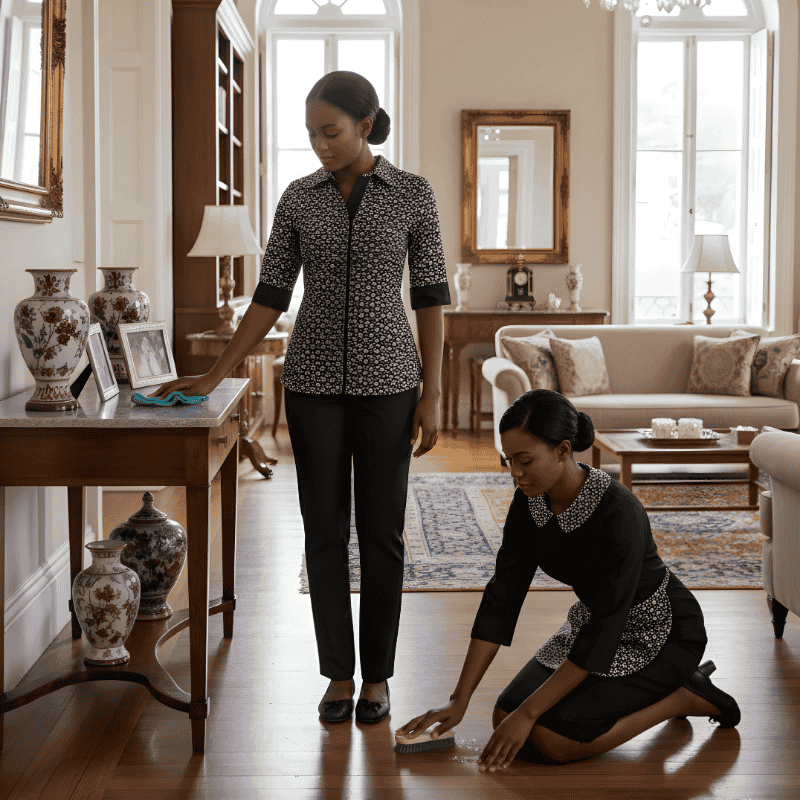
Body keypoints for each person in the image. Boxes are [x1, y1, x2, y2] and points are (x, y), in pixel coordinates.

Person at [152, 70, 450, 725]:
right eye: (312, 133)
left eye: (331, 131)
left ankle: (378, 677)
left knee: (383, 534)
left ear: (365, 126)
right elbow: (270, 295)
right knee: (322, 530)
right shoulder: (297, 198)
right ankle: (338, 674)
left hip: (390, 384)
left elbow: (431, 296)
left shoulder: (413, 194)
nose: (320, 144)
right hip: (311, 385)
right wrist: (215, 374)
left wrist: (433, 392)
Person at [397, 389, 741, 770]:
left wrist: (530, 713)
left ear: (563, 450)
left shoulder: (619, 513)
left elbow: (606, 628)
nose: (515, 473)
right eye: (509, 461)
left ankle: (685, 696)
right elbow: (502, 597)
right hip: (595, 623)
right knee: (504, 715)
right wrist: (459, 699)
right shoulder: (530, 502)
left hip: (661, 632)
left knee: (552, 739)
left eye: (525, 460)